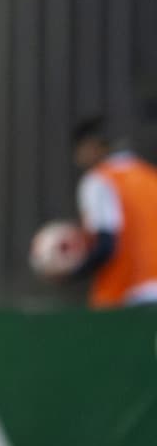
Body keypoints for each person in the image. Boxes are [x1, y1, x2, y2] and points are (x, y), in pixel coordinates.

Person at [69, 117, 157, 307]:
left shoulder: (99, 180)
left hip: (127, 296)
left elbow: (106, 245)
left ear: (91, 146)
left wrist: (71, 272)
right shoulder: (151, 177)